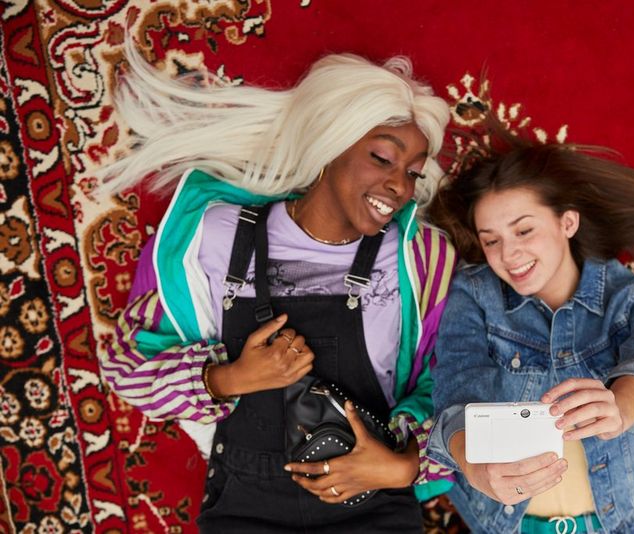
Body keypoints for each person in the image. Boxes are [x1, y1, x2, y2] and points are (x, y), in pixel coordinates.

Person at [98, 42, 457, 532]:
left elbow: (458, 391)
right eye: (382, 158)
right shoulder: (208, 235)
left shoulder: (421, 260)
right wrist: (229, 378)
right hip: (244, 506)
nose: (400, 186)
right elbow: (126, 367)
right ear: (333, 143)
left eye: (412, 173)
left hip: (373, 509)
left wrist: (400, 463)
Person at [426, 118, 634, 534]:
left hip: (615, 519)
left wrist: (619, 407)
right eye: (491, 239)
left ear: (567, 223)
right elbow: (455, 396)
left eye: (524, 230)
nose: (508, 254)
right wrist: (473, 467)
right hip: (500, 522)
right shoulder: (475, 294)